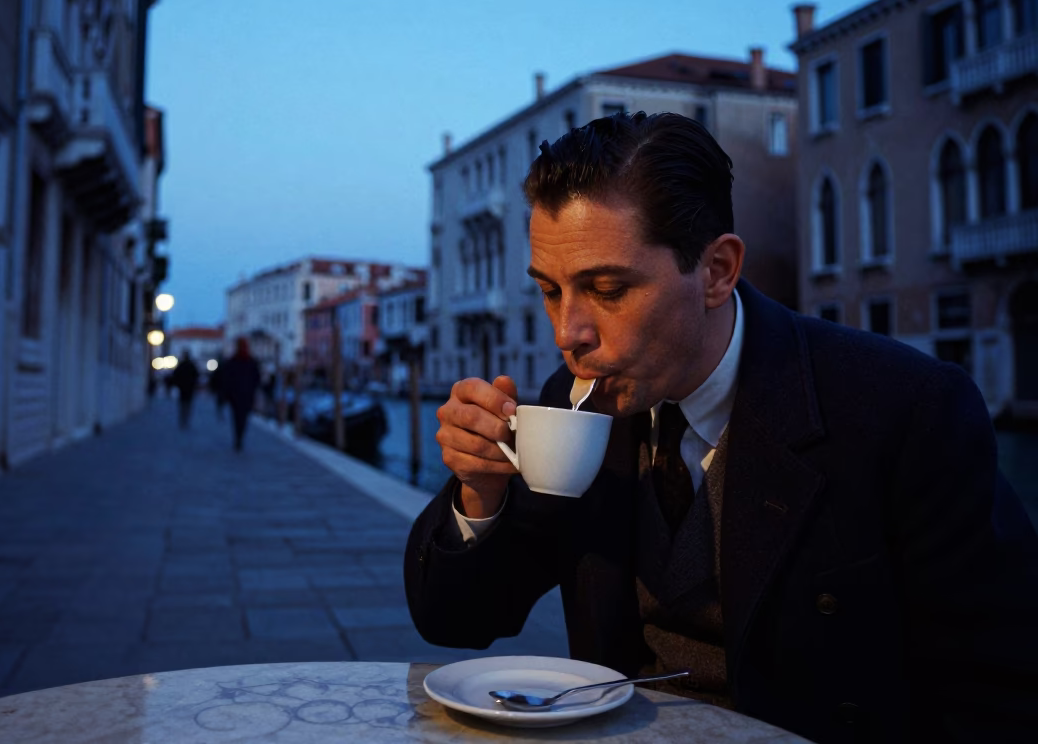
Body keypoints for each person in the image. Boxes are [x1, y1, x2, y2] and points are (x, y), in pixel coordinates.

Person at [405, 112, 1038, 743]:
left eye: (607, 289)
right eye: (550, 290)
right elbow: (455, 621)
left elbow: (999, 686)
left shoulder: (905, 409)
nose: (568, 332)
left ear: (716, 271)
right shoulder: (568, 408)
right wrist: (476, 497)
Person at [221, 337, 261, 451]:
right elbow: (256, 379)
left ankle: (238, 438)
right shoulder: (251, 362)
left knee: (237, 417)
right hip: (246, 395)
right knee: (243, 418)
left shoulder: (232, 361)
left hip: (236, 395)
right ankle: (240, 437)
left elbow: (226, 380)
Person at [170, 351, 199, 429]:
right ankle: (185, 421)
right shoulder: (191, 366)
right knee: (187, 406)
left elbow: (175, 376)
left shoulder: (181, 366)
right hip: (189, 389)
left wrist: (178, 384)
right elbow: (196, 376)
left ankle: (183, 421)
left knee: (183, 406)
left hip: (183, 389)